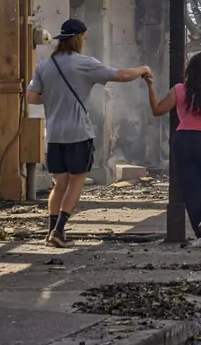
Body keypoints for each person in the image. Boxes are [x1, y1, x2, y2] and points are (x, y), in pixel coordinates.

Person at [26, 18, 151, 247]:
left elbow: (31, 97)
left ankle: (51, 231)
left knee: (59, 184)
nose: (84, 41)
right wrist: (143, 69)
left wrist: (54, 98)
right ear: (77, 39)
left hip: (53, 135)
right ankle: (59, 231)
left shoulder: (45, 65)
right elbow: (122, 75)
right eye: (83, 37)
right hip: (78, 134)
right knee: (76, 182)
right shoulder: (84, 64)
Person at [144, 52, 201, 246]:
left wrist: (150, 86)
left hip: (183, 141)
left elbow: (157, 110)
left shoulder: (179, 90)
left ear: (190, 70)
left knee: (191, 189)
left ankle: (200, 236)